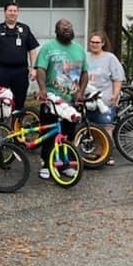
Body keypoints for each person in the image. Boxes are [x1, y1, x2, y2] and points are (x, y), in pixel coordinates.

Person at [35, 18, 88, 180]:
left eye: (69, 27)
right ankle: (46, 163)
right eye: (63, 27)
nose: (67, 29)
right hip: (52, 98)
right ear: (56, 31)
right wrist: (43, 89)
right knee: (49, 132)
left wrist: (81, 92)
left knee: (67, 134)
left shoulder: (79, 49)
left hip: (70, 99)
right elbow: (41, 69)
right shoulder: (48, 48)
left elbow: (85, 73)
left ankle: (64, 165)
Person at [0, 2, 39, 109]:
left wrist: (33, 68)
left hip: (20, 71)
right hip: (1, 71)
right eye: (10, 11)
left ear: (18, 13)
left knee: (20, 100)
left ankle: (16, 124)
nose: (12, 13)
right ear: (5, 12)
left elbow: (32, 50)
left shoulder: (25, 29)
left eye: (15, 11)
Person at [85, 30, 125, 166]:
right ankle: (95, 152)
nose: (94, 44)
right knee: (91, 126)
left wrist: (116, 93)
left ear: (103, 43)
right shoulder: (85, 57)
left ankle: (107, 154)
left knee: (106, 127)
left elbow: (118, 78)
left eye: (97, 42)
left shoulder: (110, 58)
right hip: (88, 98)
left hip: (105, 98)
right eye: (92, 42)